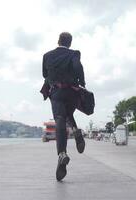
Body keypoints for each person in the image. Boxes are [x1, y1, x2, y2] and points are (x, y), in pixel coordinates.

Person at [42, 32, 86, 181]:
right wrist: (82, 84)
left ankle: (62, 154)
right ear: (70, 43)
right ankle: (75, 130)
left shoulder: (47, 56)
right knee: (68, 114)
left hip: (57, 92)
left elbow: (44, 74)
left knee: (60, 118)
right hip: (72, 92)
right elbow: (78, 67)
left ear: (58, 40)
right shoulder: (74, 54)